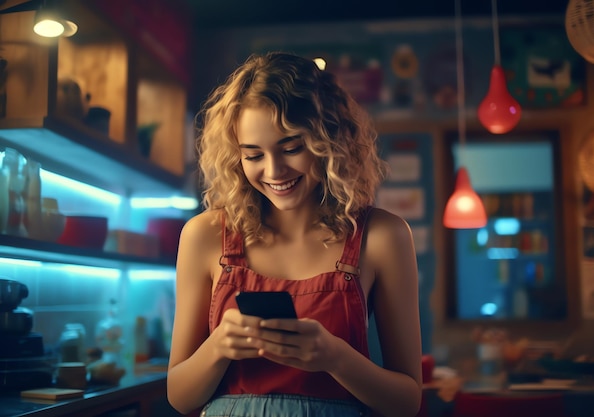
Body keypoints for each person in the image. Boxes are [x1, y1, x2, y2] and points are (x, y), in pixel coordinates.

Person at [167, 51, 422, 417]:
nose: (274, 171)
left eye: (291, 148)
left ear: (329, 142)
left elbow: (407, 402)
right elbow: (179, 396)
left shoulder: (383, 235)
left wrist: (335, 358)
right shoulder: (204, 234)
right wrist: (218, 347)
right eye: (253, 155)